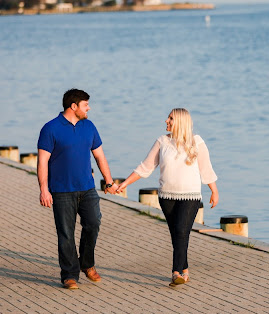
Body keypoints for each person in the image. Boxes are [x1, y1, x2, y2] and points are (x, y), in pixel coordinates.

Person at [117, 108, 218, 286]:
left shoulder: (197, 142)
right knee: (177, 234)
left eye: (170, 118)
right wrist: (125, 184)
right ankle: (184, 269)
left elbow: (206, 169)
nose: (166, 121)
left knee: (180, 231)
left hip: (190, 196)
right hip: (167, 197)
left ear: (180, 121)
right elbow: (145, 167)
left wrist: (214, 191)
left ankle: (176, 272)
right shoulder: (162, 141)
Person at [37, 88, 118, 290]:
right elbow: (42, 161)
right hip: (61, 190)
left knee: (93, 223)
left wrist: (108, 181)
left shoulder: (89, 126)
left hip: (87, 189)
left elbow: (100, 156)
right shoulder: (50, 128)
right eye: (85, 104)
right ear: (73, 106)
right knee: (65, 233)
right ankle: (69, 275)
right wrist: (44, 189)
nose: (89, 108)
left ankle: (87, 263)